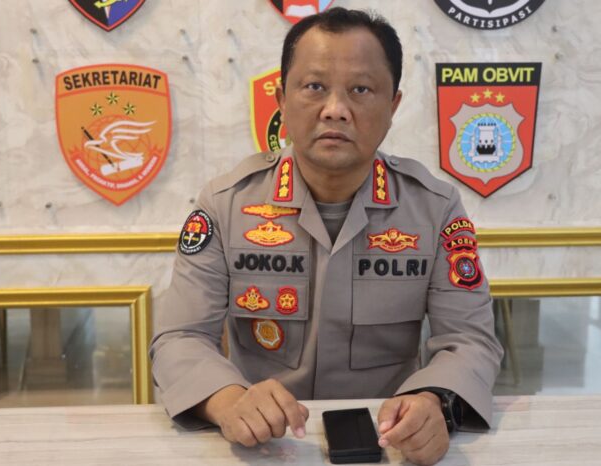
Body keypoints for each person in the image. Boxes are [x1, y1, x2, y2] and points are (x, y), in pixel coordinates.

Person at [151, 7, 503, 465]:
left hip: (388, 443)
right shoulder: (226, 205)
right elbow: (179, 337)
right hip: (264, 446)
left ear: (393, 106)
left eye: (361, 89)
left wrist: (435, 402)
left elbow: (470, 340)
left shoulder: (435, 209)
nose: (335, 109)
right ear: (281, 99)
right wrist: (228, 400)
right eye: (314, 87)